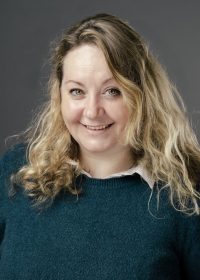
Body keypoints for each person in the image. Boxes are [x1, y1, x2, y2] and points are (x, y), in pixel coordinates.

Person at [0, 13, 200, 280]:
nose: (92, 111)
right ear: (59, 96)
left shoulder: (185, 196)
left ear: (142, 96)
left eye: (112, 91)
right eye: (77, 91)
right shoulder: (16, 174)